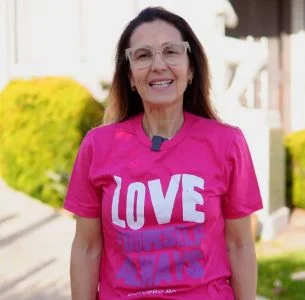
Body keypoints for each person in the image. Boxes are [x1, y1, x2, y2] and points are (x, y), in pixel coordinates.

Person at [64, 6, 263, 300]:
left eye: (171, 51)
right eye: (143, 55)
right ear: (130, 77)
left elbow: (240, 245)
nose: (158, 65)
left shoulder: (227, 143)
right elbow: (87, 247)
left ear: (191, 68)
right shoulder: (98, 146)